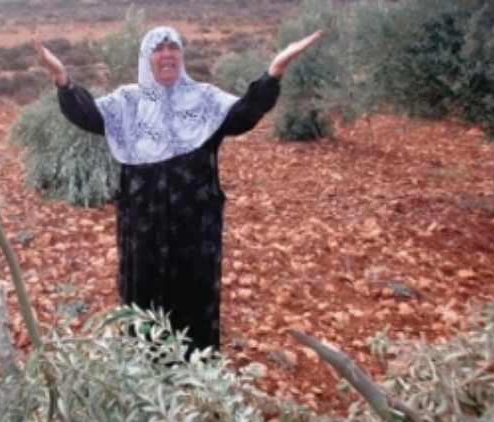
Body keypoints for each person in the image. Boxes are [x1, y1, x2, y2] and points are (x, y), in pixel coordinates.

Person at [33, 26, 323, 355]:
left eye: (173, 47)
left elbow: (243, 115)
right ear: (147, 58)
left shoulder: (205, 99)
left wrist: (275, 71)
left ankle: (197, 371)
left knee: (194, 295)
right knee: (142, 298)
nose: (167, 54)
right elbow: (87, 114)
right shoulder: (128, 103)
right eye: (158, 48)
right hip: (142, 228)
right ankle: (143, 371)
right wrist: (62, 78)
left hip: (196, 229)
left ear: (182, 56)